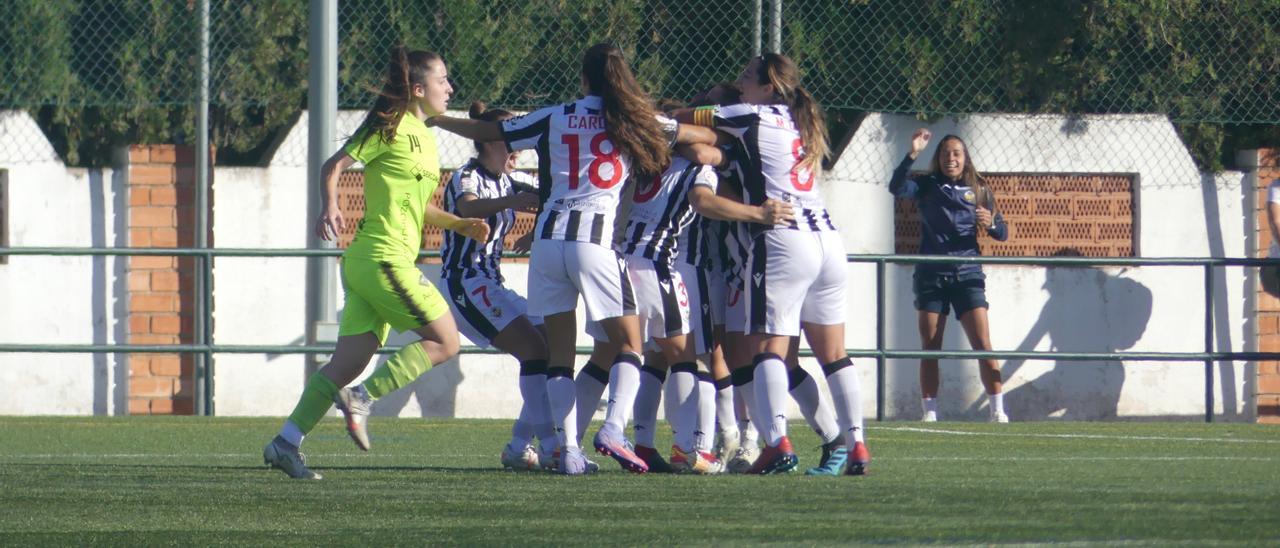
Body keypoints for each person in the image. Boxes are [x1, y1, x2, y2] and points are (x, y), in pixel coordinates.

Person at [428, 43, 716, 474]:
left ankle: (568, 453)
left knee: (558, 355)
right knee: (630, 344)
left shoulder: (556, 114)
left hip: (547, 240)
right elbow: (701, 138)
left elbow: (489, 133)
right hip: (593, 242)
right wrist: (703, 145)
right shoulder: (635, 119)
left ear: (583, 79)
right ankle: (613, 430)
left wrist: (435, 119)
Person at [263, 48, 489, 480]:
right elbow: (334, 165)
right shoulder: (389, 128)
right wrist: (330, 205)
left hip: (371, 263)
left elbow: (418, 206)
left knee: (348, 362)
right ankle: (362, 398)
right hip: (382, 258)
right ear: (419, 89)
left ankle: (285, 441)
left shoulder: (424, 137)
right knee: (446, 340)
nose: (451, 88)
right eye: (443, 80)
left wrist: (459, 224)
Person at [681, 54, 870, 476]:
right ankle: (854, 444)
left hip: (781, 241)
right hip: (826, 239)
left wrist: (655, 118)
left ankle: (775, 442)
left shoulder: (748, 117)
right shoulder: (797, 121)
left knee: (769, 348)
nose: (738, 80)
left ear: (768, 88)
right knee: (832, 355)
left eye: (747, 76)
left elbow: (684, 122)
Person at [440, 101, 552, 470]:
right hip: (465, 284)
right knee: (535, 353)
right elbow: (469, 208)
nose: (519, 147)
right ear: (489, 141)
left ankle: (520, 445)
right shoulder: (466, 175)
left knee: (552, 349)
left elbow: (554, 196)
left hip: (492, 283)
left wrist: (536, 228)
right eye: (511, 139)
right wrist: (513, 201)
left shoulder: (512, 179)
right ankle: (549, 444)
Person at [889, 129, 1009, 423]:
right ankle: (929, 413)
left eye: (956, 153)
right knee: (931, 347)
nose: (950, 159)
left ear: (965, 158)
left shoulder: (979, 189)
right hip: (932, 275)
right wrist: (912, 153)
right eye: (945, 154)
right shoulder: (927, 185)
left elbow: (1002, 233)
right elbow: (896, 187)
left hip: (967, 274)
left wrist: (991, 224)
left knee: (983, 343)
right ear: (938, 159)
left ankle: (998, 410)